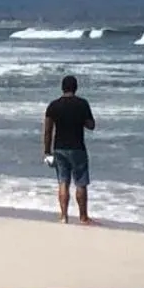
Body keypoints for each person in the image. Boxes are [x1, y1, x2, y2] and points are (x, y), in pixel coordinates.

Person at [43, 74, 96, 224]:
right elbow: (91, 125)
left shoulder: (53, 106)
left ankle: (63, 216)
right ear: (76, 88)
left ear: (62, 88)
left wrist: (47, 151)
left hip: (59, 148)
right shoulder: (82, 104)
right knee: (81, 182)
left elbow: (48, 130)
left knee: (63, 182)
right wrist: (80, 119)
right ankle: (83, 217)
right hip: (77, 147)